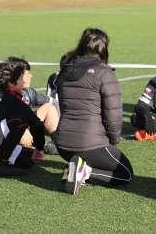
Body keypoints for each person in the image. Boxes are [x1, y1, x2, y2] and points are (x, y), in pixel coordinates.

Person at [53, 28, 133, 195]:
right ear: (104, 48)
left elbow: (64, 106)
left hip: (62, 145)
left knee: (93, 156)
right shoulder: (104, 73)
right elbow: (114, 115)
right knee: (125, 174)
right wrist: (113, 140)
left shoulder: (65, 70)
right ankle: (85, 172)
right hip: (90, 144)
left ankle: (78, 166)